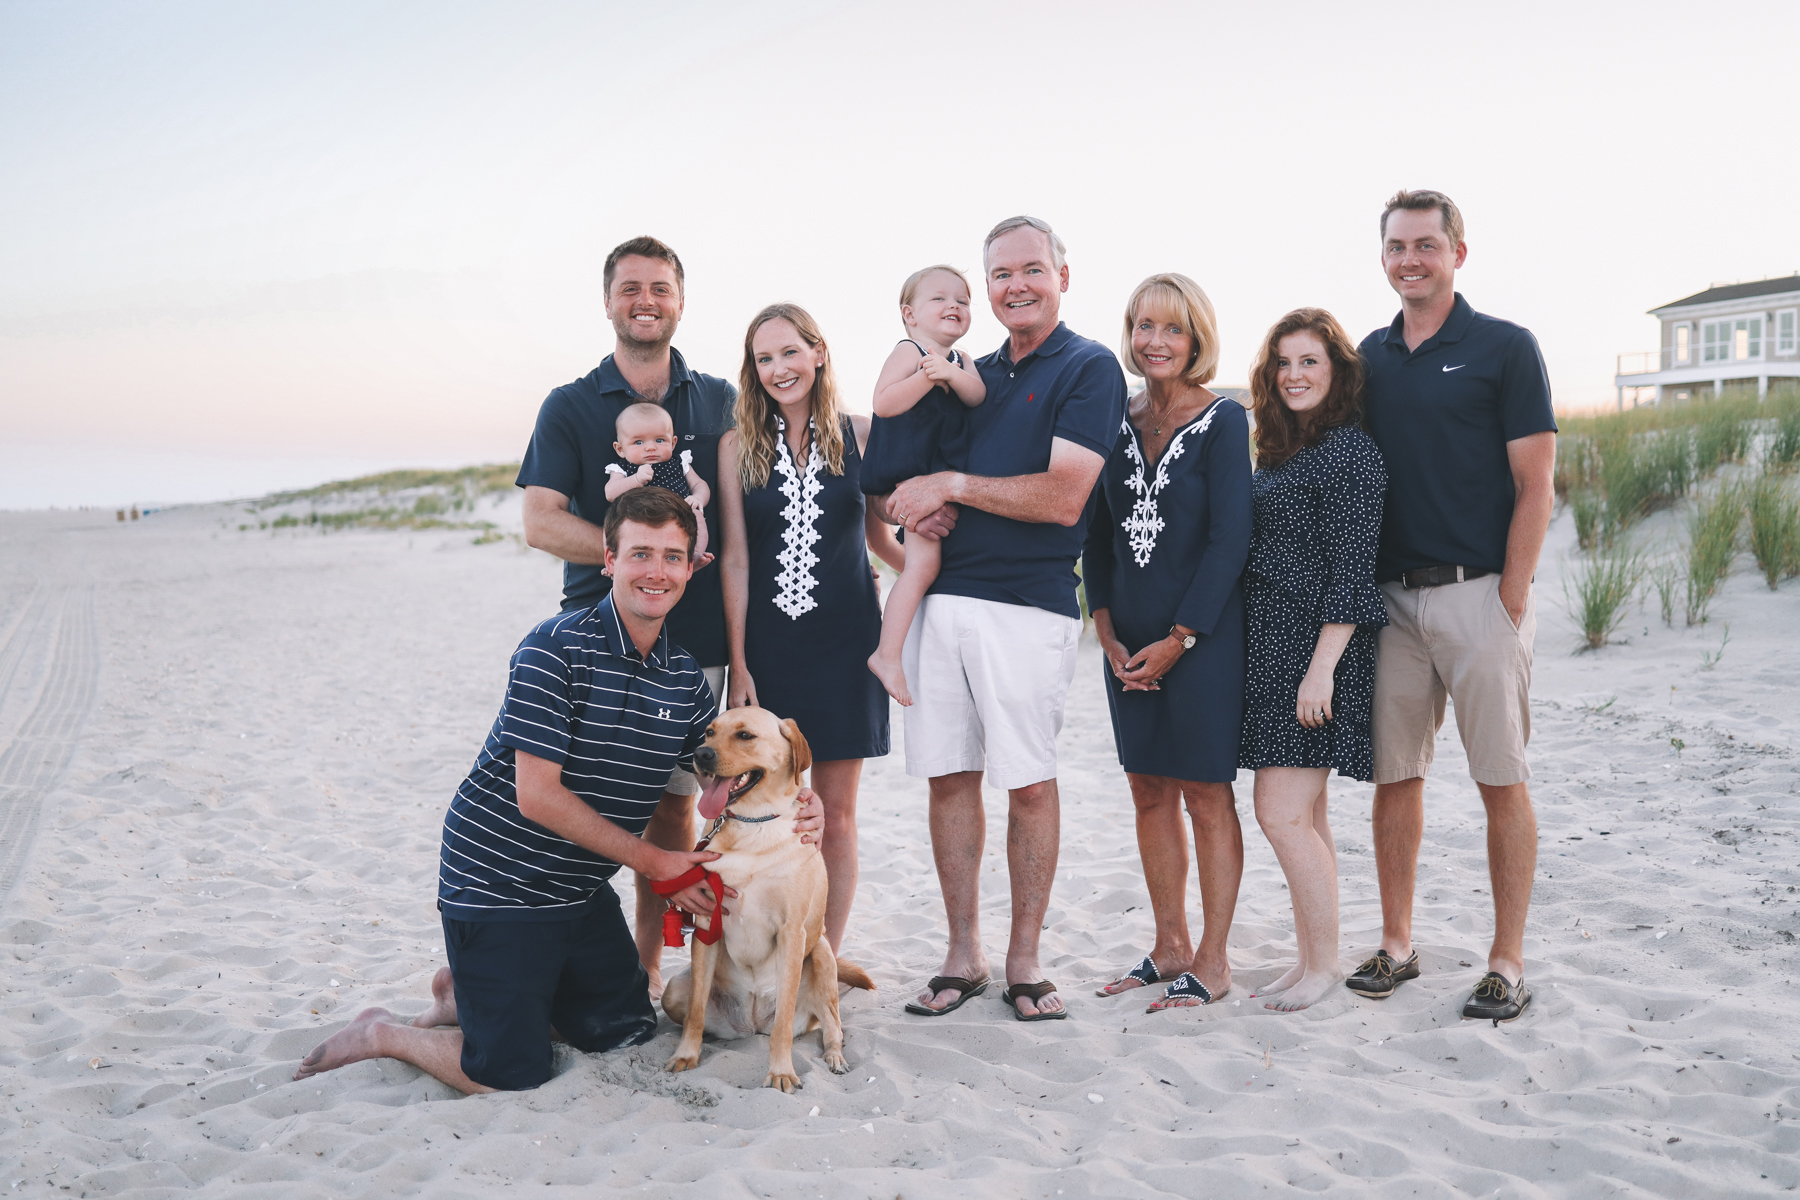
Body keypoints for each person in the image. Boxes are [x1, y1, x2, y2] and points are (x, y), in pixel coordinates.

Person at [292, 489, 822, 1093]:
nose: (657, 571)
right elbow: (536, 797)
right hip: (499, 879)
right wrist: (659, 865)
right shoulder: (555, 647)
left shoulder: (683, 679)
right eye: (640, 553)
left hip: (580, 890)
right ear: (609, 559)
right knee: (508, 1076)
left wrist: (802, 798)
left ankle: (459, 992)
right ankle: (382, 1033)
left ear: (690, 568)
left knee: (623, 1031)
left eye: (672, 557)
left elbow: (722, 769)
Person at [881, 216, 1127, 1021]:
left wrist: (951, 484)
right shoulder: (966, 374)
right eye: (1000, 274)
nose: (1015, 285)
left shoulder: (1088, 368)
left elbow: (1063, 499)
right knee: (949, 778)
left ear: (1062, 272)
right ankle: (963, 955)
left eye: (1030, 269)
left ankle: (1025, 959)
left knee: (1027, 780)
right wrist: (906, 511)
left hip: (1028, 608)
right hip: (941, 606)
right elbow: (903, 469)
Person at [1350, 190, 1556, 1023]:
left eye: (1426, 245)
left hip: (1480, 597)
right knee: (1396, 777)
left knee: (1498, 778)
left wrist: (1509, 599)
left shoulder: (1505, 348)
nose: (1411, 259)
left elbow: (1535, 485)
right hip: (1393, 603)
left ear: (1457, 254)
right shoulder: (1369, 355)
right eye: (1397, 246)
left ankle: (1507, 959)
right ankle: (1398, 944)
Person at [516, 235, 736, 997]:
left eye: (661, 287)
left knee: (674, 815)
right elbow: (541, 521)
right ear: (608, 300)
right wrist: (641, 564)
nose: (646, 300)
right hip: (597, 642)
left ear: (681, 299)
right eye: (630, 287)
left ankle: (643, 972)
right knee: (584, 808)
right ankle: (534, 955)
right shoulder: (571, 405)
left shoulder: (719, 399)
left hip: (699, 645)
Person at [1083, 273, 1250, 1013]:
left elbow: (1230, 540)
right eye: (1144, 327)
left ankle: (1213, 960)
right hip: (1128, 642)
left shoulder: (1223, 420)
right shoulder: (1113, 418)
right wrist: (1109, 634)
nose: (1155, 342)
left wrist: (1181, 638)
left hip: (1202, 640)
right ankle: (1169, 944)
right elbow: (1096, 536)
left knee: (1206, 797)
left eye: (1172, 329)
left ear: (1196, 339)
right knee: (1147, 791)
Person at [718, 303, 903, 954]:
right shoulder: (737, 446)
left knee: (838, 817)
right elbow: (736, 558)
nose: (778, 369)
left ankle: (821, 953)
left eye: (789, 353)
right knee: (773, 815)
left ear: (819, 353)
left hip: (850, 644)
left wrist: (935, 580)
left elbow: (882, 532)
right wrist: (739, 662)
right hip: (770, 651)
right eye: (763, 359)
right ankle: (771, 951)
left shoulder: (863, 433)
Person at [1238, 308, 1390, 1013]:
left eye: (1310, 362)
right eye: (1284, 363)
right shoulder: (1283, 451)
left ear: (1337, 373)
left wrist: (1322, 668)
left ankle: (1324, 966)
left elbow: (1353, 574)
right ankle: (1311, 959)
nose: (1294, 375)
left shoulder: (1350, 453)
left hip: (1316, 653)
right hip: (1275, 649)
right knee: (1309, 814)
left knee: (1280, 811)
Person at [862, 265, 987, 706]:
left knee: (928, 565)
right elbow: (883, 402)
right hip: (907, 472)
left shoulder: (961, 360)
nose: (954, 305)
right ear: (910, 313)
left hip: (938, 476)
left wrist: (953, 372)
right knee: (922, 567)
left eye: (963, 300)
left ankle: (895, 648)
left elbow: (977, 397)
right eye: (940, 298)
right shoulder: (908, 350)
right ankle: (887, 654)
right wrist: (926, 375)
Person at [605, 401, 712, 561]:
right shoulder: (622, 468)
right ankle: (614, 560)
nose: (650, 448)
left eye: (660, 440)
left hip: (677, 514)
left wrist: (698, 498)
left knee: (697, 516)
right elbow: (610, 493)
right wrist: (636, 479)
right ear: (620, 449)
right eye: (638, 442)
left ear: (673, 442)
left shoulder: (680, 462)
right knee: (610, 520)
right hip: (636, 517)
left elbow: (699, 484)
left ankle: (693, 556)